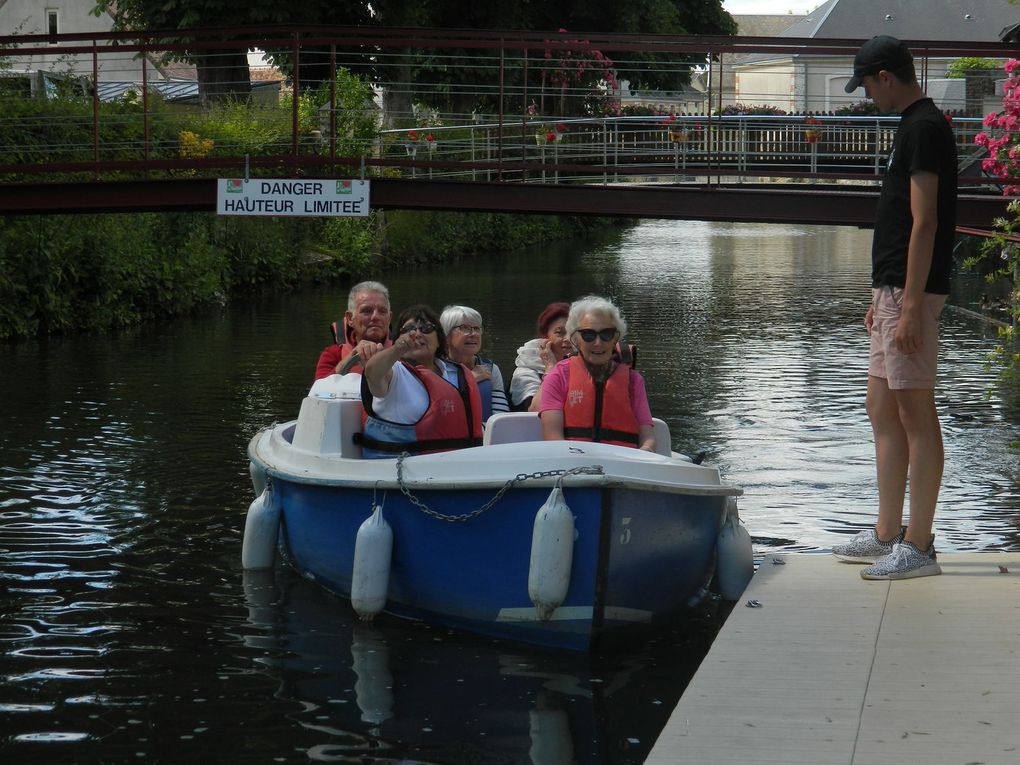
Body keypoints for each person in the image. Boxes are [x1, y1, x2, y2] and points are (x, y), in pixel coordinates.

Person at [832, 36, 957, 580]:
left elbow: (925, 223)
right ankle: (887, 534)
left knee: (914, 413)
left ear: (886, 75)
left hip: (910, 295)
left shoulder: (925, 128)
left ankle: (920, 544)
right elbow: (899, 222)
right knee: (880, 408)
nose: (867, 97)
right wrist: (880, 295)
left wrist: (907, 307)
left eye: (867, 86)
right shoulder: (910, 126)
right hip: (890, 292)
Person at [358, 304, 483, 458]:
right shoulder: (394, 372)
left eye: (426, 328)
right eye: (409, 329)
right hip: (402, 473)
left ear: (439, 339)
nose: (417, 333)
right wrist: (398, 349)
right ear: (397, 338)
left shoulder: (459, 374)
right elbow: (372, 374)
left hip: (460, 466)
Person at [537, 296, 655, 451]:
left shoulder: (634, 380)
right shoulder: (558, 376)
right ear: (575, 339)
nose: (598, 343)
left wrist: (644, 452)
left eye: (606, 334)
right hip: (572, 465)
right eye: (588, 335)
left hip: (625, 465)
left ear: (615, 338)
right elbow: (553, 438)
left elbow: (648, 438)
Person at [439, 305, 509, 423]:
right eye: (465, 328)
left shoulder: (491, 369)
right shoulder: (437, 369)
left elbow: (501, 417)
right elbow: (439, 411)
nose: (473, 334)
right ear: (446, 336)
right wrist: (470, 379)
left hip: (488, 436)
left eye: (477, 328)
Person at [314, 281, 392, 380]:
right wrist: (351, 357)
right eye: (367, 311)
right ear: (350, 318)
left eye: (382, 311)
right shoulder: (333, 354)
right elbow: (318, 390)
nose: (375, 317)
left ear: (389, 318)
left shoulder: (403, 352)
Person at [509, 302, 572, 412]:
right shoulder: (526, 372)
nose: (568, 338)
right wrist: (550, 369)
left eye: (572, 332)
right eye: (560, 333)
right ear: (545, 335)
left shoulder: (575, 365)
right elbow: (535, 411)